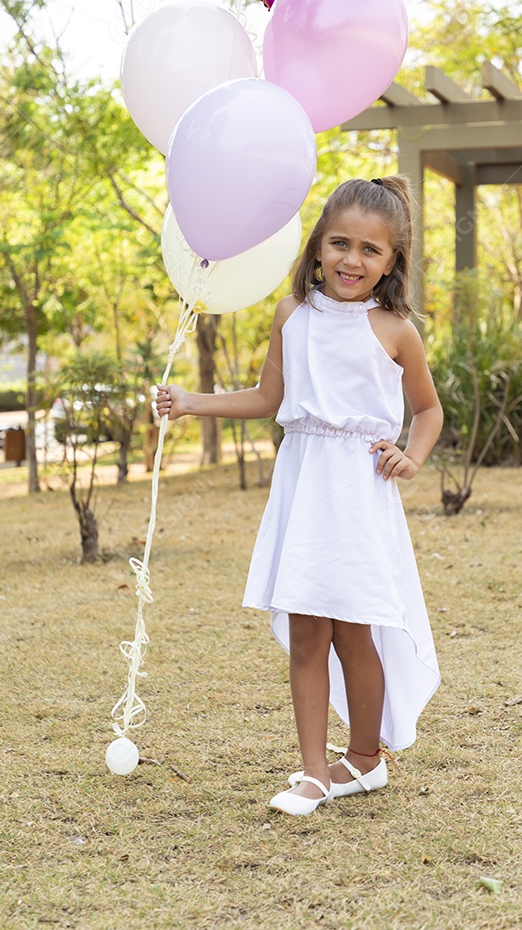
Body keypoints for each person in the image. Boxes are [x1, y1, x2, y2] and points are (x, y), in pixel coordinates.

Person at [156, 175, 443, 817]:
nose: (352, 260)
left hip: (361, 492)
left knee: (355, 630)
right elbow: (269, 399)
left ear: (393, 261)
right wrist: (191, 402)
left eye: (371, 250)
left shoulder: (396, 329)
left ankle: (366, 759)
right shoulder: (294, 316)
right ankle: (314, 771)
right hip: (306, 485)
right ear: (316, 248)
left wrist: (412, 455)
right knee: (310, 632)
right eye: (339, 244)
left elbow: (427, 411)